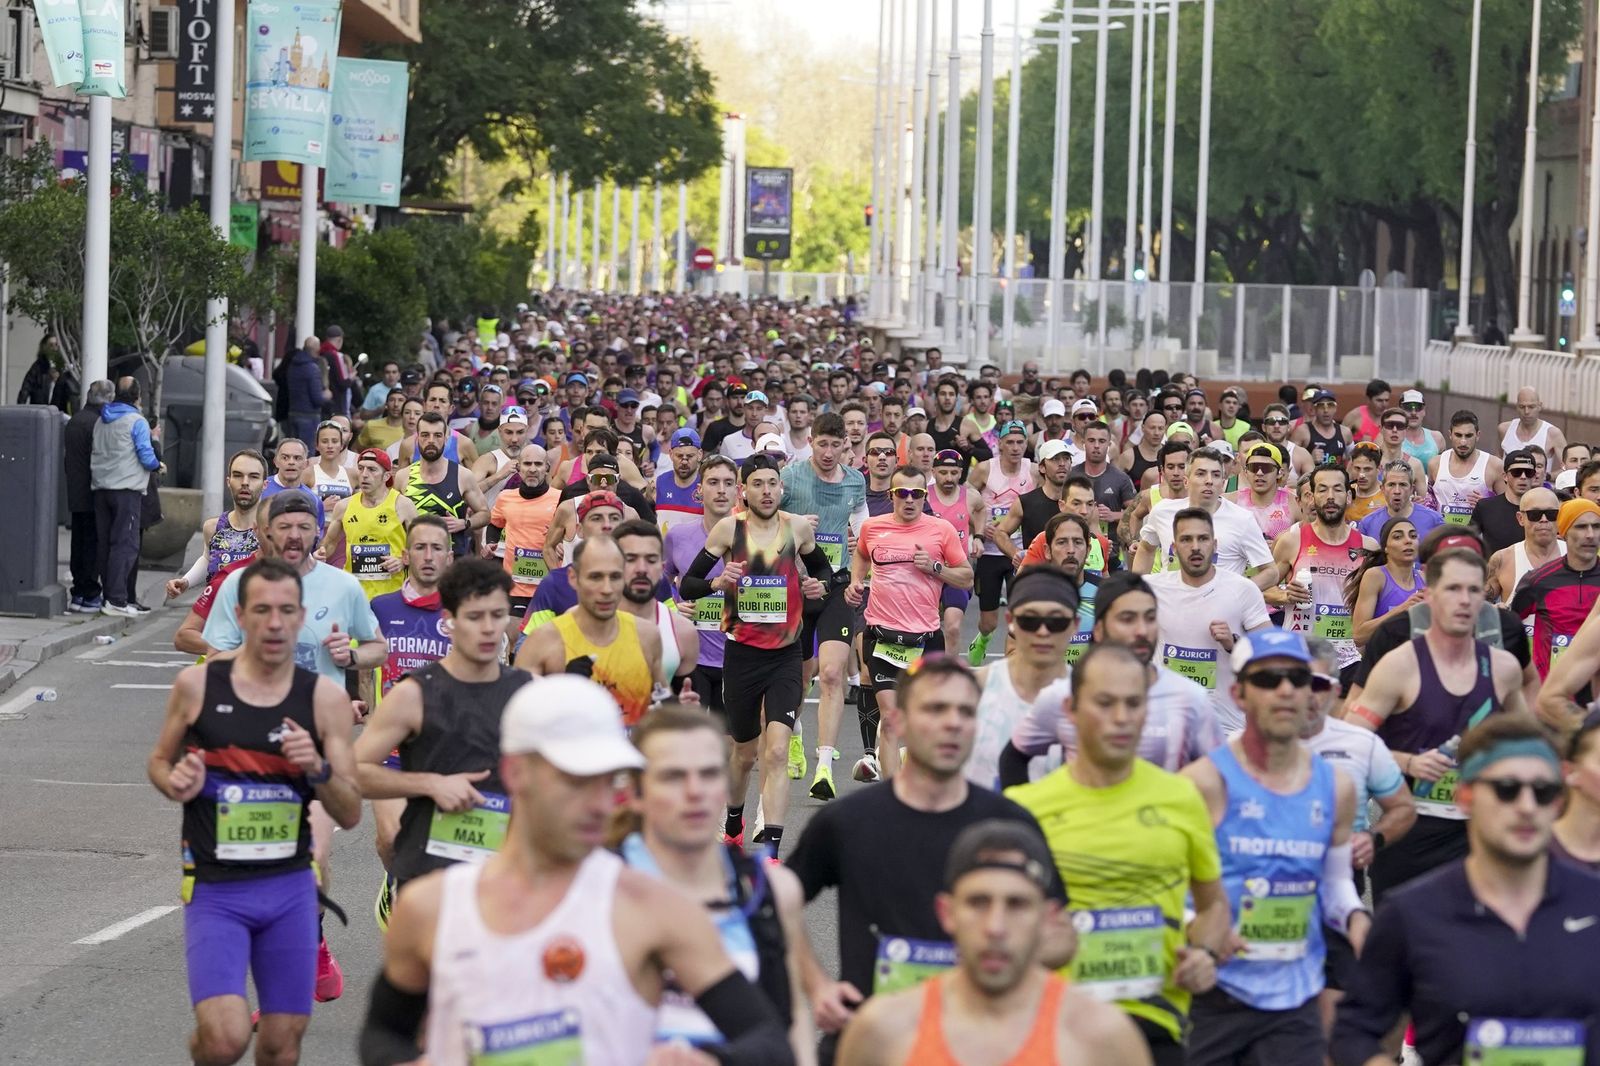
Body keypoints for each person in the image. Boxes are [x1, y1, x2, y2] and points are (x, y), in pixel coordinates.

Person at [359, 675, 798, 1066]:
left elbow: (768, 1039)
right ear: (516, 773)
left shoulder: (654, 909)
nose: (597, 802)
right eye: (575, 780)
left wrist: (706, 1058)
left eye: (608, 780)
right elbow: (383, 1036)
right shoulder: (432, 907)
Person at [787, 657, 1070, 1066]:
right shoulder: (847, 821)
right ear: (897, 723)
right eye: (935, 710)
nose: (952, 723)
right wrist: (816, 987)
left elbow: (1059, 932)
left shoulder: (1011, 822)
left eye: (964, 712)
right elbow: (777, 900)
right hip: (872, 1046)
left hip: (980, 1046)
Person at [147, 558, 361, 1066]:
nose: (274, 622)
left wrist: (318, 769)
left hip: (289, 889)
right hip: (216, 889)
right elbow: (160, 761)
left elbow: (350, 811)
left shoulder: (326, 700)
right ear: (240, 616)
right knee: (223, 1041)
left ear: (300, 615)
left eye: (287, 610)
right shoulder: (198, 688)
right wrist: (174, 781)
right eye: (261, 610)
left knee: (280, 1046)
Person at [1007, 642, 1232, 1064]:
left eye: (1134, 704)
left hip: (1155, 1022)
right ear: (1071, 710)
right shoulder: (1027, 808)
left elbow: (1214, 906)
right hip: (1055, 1026)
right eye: (1104, 703)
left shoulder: (1181, 796)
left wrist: (1204, 953)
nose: (1121, 718)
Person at [1331, 715, 1600, 1066]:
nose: (1526, 806)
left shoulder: (1592, 901)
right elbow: (1354, 1029)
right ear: (1466, 796)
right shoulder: (1412, 913)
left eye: (1543, 792)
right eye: (1506, 789)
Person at [1181, 628, 1367, 1066]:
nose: (1285, 690)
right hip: (1214, 996)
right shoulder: (1202, 783)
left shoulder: (1336, 787)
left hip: (1295, 999)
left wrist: (1357, 921)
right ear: (1239, 694)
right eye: (1267, 680)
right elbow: (1164, 888)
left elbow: (1336, 883)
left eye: (1298, 679)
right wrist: (1198, 930)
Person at [835, 820, 1153, 1066]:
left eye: (1017, 904)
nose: (996, 927)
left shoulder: (1103, 1036)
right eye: (978, 902)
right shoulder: (883, 1029)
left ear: (1047, 917)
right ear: (947, 912)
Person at [614, 705, 815, 1062]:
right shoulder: (601, 886)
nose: (695, 791)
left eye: (709, 774)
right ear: (636, 793)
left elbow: (791, 1022)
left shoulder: (769, 891)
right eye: (674, 776)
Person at [1345, 548, 1525, 902]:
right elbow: (1349, 741)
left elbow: (1527, 746)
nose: (1464, 600)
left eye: (1474, 590)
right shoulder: (1399, 666)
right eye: (1452, 589)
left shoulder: (1503, 669)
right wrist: (1408, 762)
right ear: (1429, 595)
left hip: (1480, 833)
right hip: (1411, 831)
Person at [679, 454, 833, 847]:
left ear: (782, 488)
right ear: (743, 490)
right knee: (743, 754)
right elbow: (690, 584)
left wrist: (821, 586)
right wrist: (717, 583)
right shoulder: (730, 530)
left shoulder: (797, 528)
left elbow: (827, 572)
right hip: (742, 656)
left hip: (785, 654)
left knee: (777, 751)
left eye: (772, 483)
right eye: (758, 484)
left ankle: (772, 848)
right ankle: (733, 821)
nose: (766, 492)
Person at [353, 558, 529, 902]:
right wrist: (430, 784)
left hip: (501, 875)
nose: (490, 628)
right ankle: (393, 893)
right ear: (449, 622)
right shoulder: (413, 694)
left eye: (497, 615)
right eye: (475, 617)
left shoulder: (527, 692)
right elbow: (352, 771)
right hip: (428, 875)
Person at [1297, 635, 1416, 1025]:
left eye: (1318, 685)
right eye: (1297, 682)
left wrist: (1373, 837)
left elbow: (1402, 809)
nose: (1307, 696)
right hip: (1268, 886)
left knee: (1333, 1016)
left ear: (1336, 690)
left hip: (1340, 877)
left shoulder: (1359, 743)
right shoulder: (1245, 746)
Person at [1003, 572, 1220, 784]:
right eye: (1127, 619)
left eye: (1150, 618)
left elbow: (1217, 773)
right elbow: (1013, 757)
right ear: (1098, 629)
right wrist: (1024, 815)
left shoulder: (1190, 698)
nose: (1142, 631)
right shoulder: (1064, 695)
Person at [849, 465, 975, 779]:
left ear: (924, 496)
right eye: (901, 493)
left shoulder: (940, 530)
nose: (909, 500)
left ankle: (923, 779)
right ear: (891, 495)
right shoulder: (872, 527)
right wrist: (855, 581)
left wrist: (935, 567)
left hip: (925, 639)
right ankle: (894, 800)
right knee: (891, 720)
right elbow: (862, 555)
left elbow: (966, 576)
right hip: (882, 637)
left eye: (916, 494)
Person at [514, 534, 663, 728]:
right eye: (595, 577)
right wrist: (561, 690)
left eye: (615, 577)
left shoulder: (647, 636)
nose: (607, 589)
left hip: (629, 756)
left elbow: (661, 699)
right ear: (573, 578)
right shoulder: (543, 642)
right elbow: (518, 720)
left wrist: (678, 706)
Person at [1148, 508, 1275, 733]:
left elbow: (1270, 658)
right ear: (1174, 548)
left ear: (1214, 545)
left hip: (1224, 727)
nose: (1195, 547)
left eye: (1203, 538)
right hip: (1167, 724)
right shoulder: (1151, 589)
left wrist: (1233, 644)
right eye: (1186, 539)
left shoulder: (1242, 589)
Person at [966, 567, 1079, 791]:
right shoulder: (975, 690)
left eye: (1056, 622)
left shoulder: (1089, 698)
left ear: (1074, 625)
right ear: (1011, 622)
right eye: (1029, 620)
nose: (1043, 631)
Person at [1270, 463, 1374, 687]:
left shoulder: (1368, 547)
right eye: (1322, 489)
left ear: (1348, 496)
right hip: (1301, 653)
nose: (1329, 496)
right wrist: (1284, 595)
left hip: (1350, 658)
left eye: (1337, 489)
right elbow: (1259, 589)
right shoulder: (1291, 541)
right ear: (1313, 496)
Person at [1135, 447, 1277, 588]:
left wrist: (1236, 594)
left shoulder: (1242, 519)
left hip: (1220, 609)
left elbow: (1271, 572)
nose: (1209, 481)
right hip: (1173, 606)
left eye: (1215, 475)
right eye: (1201, 474)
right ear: (1186, 481)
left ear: (1222, 483)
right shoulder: (1163, 511)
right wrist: (1138, 588)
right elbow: (1146, 548)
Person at [665, 457, 740, 720]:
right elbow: (663, 579)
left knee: (733, 749)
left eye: (728, 483)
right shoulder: (678, 536)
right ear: (699, 491)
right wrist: (674, 606)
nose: (721, 490)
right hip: (692, 658)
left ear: (737, 492)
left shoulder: (755, 537)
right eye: (713, 482)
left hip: (738, 658)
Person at [91, 377, 163, 618]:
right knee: (125, 545)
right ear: (137, 397)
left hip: (101, 489)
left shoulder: (101, 420)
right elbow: (146, 455)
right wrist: (157, 465)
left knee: (105, 545)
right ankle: (117, 600)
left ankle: (109, 596)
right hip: (126, 491)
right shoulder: (137, 421)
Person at [1509, 497, 1600, 685]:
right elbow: (1511, 628)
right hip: (1550, 695)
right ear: (1563, 532)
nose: (1590, 534)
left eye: (1597, 526)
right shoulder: (1537, 581)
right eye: (1581, 527)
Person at [967, 421, 1036, 663]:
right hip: (989, 554)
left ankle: (1014, 660)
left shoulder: (1034, 470)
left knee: (1020, 615)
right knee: (989, 622)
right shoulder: (985, 469)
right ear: (1000, 445)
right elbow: (964, 502)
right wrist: (978, 527)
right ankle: (983, 639)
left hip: (1020, 552)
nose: (1015, 448)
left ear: (1026, 444)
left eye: (1020, 442)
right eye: (1010, 443)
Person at [319, 449, 418, 601]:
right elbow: (329, 544)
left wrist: (402, 561)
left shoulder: (403, 505)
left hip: (392, 593)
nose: (364, 474)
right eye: (361, 468)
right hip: (355, 594)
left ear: (386, 476)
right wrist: (320, 555)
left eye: (372, 469)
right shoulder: (344, 506)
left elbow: (418, 547)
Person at [614, 518, 699, 695]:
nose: (642, 569)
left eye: (651, 559)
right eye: (631, 559)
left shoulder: (682, 631)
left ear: (661, 568)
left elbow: (681, 705)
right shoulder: (585, 623)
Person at [395, 412, 490, 557]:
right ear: (417, 439)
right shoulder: (403, 477)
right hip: (415, 561)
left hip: (452, 563)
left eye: (437, 435)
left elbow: (485, 514)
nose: (431, 440)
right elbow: (392, 520)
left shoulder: (462, 475)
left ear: (446, 439)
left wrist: (464, 523)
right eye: (425, 435)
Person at [65, 378, 113, 613]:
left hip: (75, 492)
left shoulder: (75, 420)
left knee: (78, 543)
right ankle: (91, 592)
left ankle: (78, 593)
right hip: (94, 493)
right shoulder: (98, 423)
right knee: (93, 544)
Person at [1347, 516, 1425, 651]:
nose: (1408, 541)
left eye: (1413, 536)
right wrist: (1401, 610)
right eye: (1398, 537)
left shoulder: (1424, 578)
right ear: (1386, 547)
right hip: (1381, 665)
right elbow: (1358, 636)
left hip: (1415, 665)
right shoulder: (1376, 576)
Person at [1485, 485, 1565, 604]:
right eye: (1535, 514)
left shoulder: (1576, 556)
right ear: (1520, 518)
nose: (1544, 519)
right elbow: (1480, 605)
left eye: (1551, 513)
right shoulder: (1503, 559)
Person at [1429, 410, 1504, 525]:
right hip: (1442, 537)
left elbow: (1506, 507)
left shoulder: (1494, 465)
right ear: (1450, 435)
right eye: (1458, 435)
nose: (1463, 442)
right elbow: (1428, 502)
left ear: (1478, 435)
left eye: (1468, 436)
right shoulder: (1435, 463)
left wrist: (1487, 503)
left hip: (1477, 538)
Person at [1469, 447, 1539, 555]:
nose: (1523, 477)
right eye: (1517, 472)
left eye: (1528, 473)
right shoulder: (1485, 507)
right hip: (1494, 569)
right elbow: (1468, 541)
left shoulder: (1543, 510)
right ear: (1505, 476)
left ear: (1534, 477)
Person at [1355, 459, 1442, 543]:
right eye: (1391, 485)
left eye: (1403, 485)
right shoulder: (1368, 524)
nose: (1397, 491)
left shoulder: (1434, 521)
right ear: (1382, 489)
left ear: (1412, 489)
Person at [1498, 385, 1569, 467]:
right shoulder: (1504, 429)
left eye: (1531, 407)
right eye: (1522, 407)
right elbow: (1498, 459)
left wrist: (1547, 476)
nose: (1526, 411)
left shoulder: (1553, 434)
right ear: (1517, 407)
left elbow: (1567, 469)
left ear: (1539, 406)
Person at [655, 427, 705, 535]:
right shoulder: (658, 483)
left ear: (700, 455)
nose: (684, 462)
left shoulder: (708, 485)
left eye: (690, 456)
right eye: (679, 456)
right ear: (671, 454)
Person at [1291, 389, 1351, 464]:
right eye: (1321, 406)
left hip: (1338, 475)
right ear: (1314, 409)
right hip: (1312, 475)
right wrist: (1309, 459)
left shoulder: (1345, 432)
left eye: (1330, 405)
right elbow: (1289, 462)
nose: (1326, 410)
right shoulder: (1302, 432)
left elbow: (1354, 460)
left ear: (1335, 408)